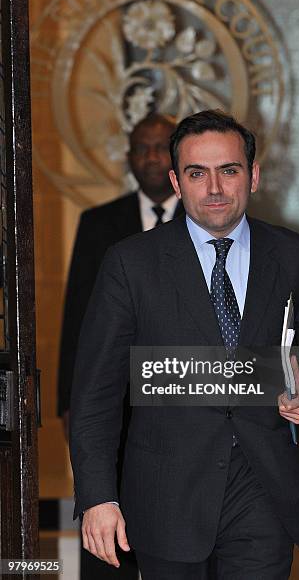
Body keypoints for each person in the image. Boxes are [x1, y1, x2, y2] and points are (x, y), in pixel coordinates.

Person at [70, 110, 299, 579]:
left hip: (263, 491)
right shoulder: (131, 264)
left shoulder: (297, 258)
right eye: (196, 173)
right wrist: (97, 497)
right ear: (176, 180)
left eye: (228, 170)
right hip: (166, 495)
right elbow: (95, 392)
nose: (214, 188)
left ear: (253, 176)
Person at [57, 113, 183, 579]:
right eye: (141, 147)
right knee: (108, 510)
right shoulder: (99, 223)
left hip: (185, 398)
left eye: (160, 146)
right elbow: (77, 320)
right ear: (128, 157)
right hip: (117, 396)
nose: (150, 156)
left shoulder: (207, 222)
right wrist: (68, 404)